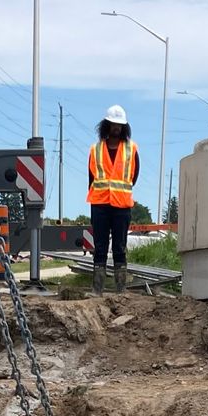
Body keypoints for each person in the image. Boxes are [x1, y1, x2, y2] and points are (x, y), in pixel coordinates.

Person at [87, 105, 140, 295]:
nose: (116, 128)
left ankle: (121, 288)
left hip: (121, 205)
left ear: (124, 127)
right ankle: (97, 288)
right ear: (106, 125)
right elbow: (91, 177)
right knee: (100, 246)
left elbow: (133, 176)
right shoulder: (95, 149)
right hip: (100, 203)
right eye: (113, 124)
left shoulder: (131, 149)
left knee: (120, 246)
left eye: (120, 125)